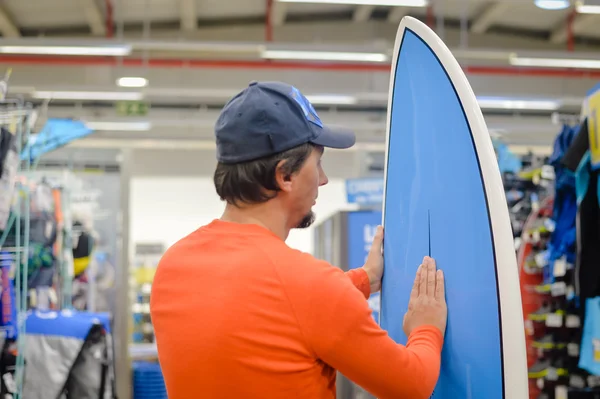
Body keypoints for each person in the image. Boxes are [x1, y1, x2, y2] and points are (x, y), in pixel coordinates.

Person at [150, 81, 448, 399]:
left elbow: (266, 310)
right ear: (285, 176)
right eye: (317, 162)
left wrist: (363, 280)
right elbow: (413, 384)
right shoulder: (309, 285)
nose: (323, 179)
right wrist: (426, 327)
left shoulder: (173, 265)